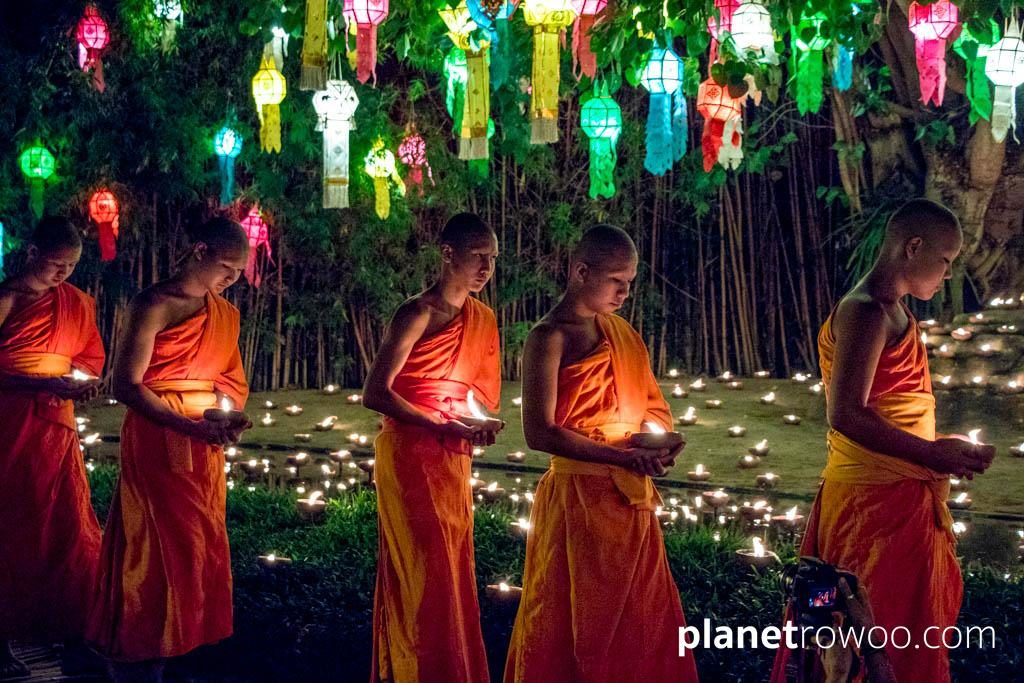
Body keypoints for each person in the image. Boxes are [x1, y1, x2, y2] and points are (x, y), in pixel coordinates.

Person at [769, 199, 995, 683]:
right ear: (912, 247)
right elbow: (846, 413)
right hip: (869, 505)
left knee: (904, 628)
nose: (948, 274)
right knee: (863, 625)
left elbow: (894, 409)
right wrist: (932, 453)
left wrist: (939, 447)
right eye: (946, 260)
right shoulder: (866, 311)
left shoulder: (895, 313)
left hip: (898, 495)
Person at [504, 224, 698, 683]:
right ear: (581, 271)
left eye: (630, 282)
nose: (625, 292)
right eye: (616, 281)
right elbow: (540, 432)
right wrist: (621, 459)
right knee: (571, 619)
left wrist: (658, 444)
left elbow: (651, 408)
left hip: (630, 502)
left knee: (642, 620)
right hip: (576, 503)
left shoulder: (623, 334)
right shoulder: (548, 337)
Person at [87, 216, 252, 682]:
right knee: (152, 543)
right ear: (198, 250)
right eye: (226, 267)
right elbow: (127, 385)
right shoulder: (154, 304)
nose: (232, 280)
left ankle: (178, 647)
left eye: (238, 272)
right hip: (158, 439)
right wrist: (185, 424)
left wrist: (228, 416)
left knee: (198, 545)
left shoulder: (226, 315)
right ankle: (137, 650)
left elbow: (229, 382)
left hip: (203, 446)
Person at [363, 212, 503, 683]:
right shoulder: (417, 312)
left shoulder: (481, 319)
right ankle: (412, 669)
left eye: (493, 259)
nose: (486, 268)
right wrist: (439, 422)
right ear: (448, 254)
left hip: (450, 455)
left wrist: (472, 423)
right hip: (409, 454)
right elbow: (376, 393)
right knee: (421, 573)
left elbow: (474, 396)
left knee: (452, 569)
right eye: (478, 256)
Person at [0, 217, 105, 679]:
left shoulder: (75, 303)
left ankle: (72, 629)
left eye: (71, 267)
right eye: (55, 265)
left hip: (55, 429)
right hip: (10, 426)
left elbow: (88, 356)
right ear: (31, 254)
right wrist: (37, 382)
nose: (63, 275)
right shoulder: (6, 298)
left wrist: (77, 383)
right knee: (11, 526)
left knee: (67, 525)